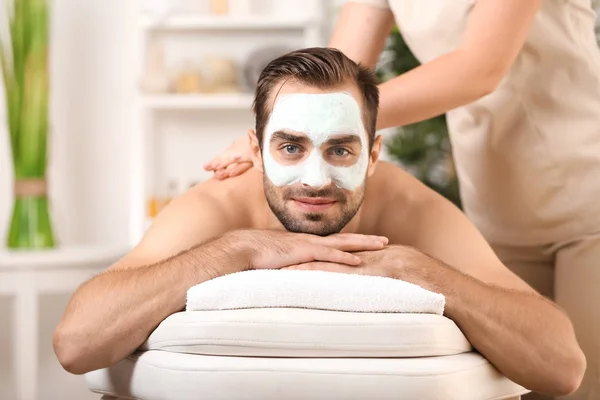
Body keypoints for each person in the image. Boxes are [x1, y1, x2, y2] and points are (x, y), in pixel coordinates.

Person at [53, 47, 585, 397]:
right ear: (255, 153)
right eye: (290, 147)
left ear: (373, 155)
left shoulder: (408, 209)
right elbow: (76, 344)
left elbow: (563, 366)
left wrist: (417, 269)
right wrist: (234, 251)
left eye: (340, 149)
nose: (314, 179)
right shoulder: (216, 209)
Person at [204, 2, 600, 399]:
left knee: (578, 381)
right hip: (498, 199)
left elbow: (479, 69)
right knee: (515, 378)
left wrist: (313, 121)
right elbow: (338, 70)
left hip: (587, 188)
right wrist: (287, 127)